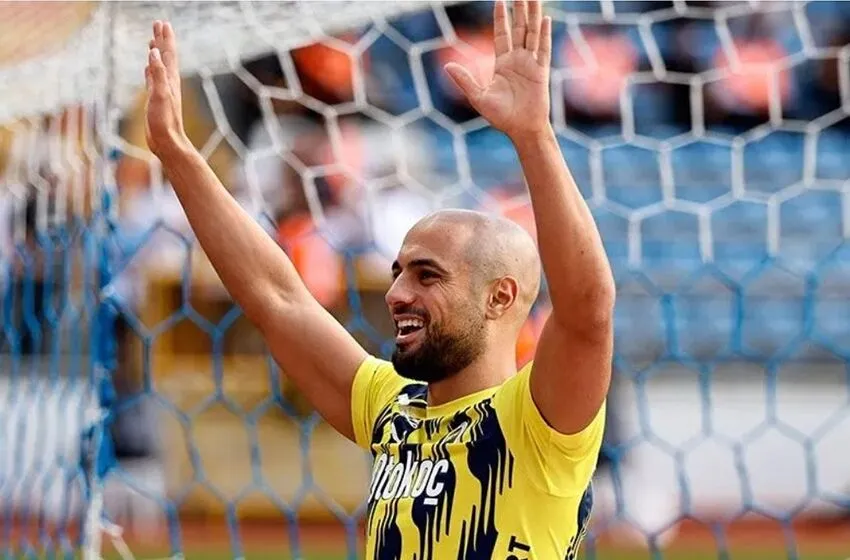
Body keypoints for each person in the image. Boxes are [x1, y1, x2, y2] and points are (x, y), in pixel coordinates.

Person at [143, 0, 614, 557]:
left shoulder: (539, 420)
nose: (396, 294)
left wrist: (534, 137)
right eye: (397, 273)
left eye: (426, 275)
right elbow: (278, 299)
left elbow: (587, 310)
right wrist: (176, 152)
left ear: (500, 298)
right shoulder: (392, 408)